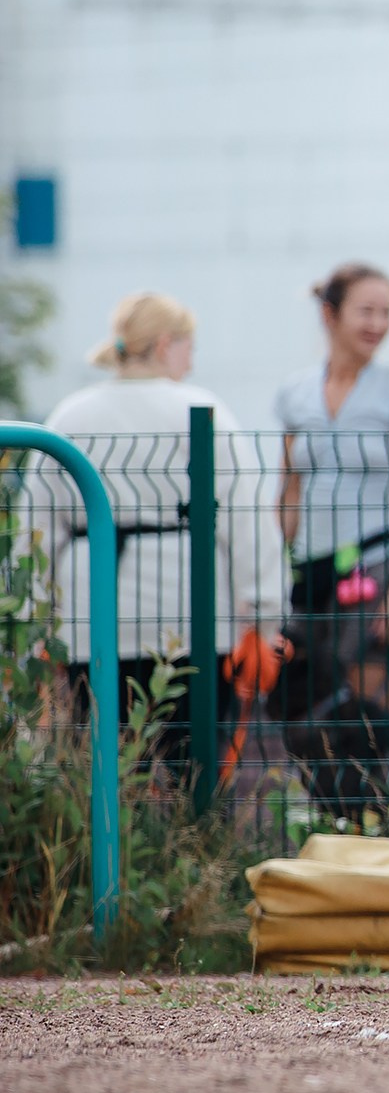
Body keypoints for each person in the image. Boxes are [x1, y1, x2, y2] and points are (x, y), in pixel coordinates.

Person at [28, 294, 285, 763]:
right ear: (167, 344)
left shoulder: (70, 415)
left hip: (93, 619)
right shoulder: (204, 410)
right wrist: (265, 616)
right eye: (190, 345)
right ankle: (195, 836)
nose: (193, 358)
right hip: (190, 619)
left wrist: (35, 619)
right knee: (195, 765)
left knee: (108, 763)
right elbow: (245, 518)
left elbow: (38, 528)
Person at [276, 264, 389, 713]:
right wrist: (271, 577)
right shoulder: (295, 394)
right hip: (310, 574)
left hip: (376, 567)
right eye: (365, 311)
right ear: (330, 314)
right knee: (302, 716)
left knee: (371, 727)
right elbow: (289, 493)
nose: (378, 324)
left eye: (386, 312)